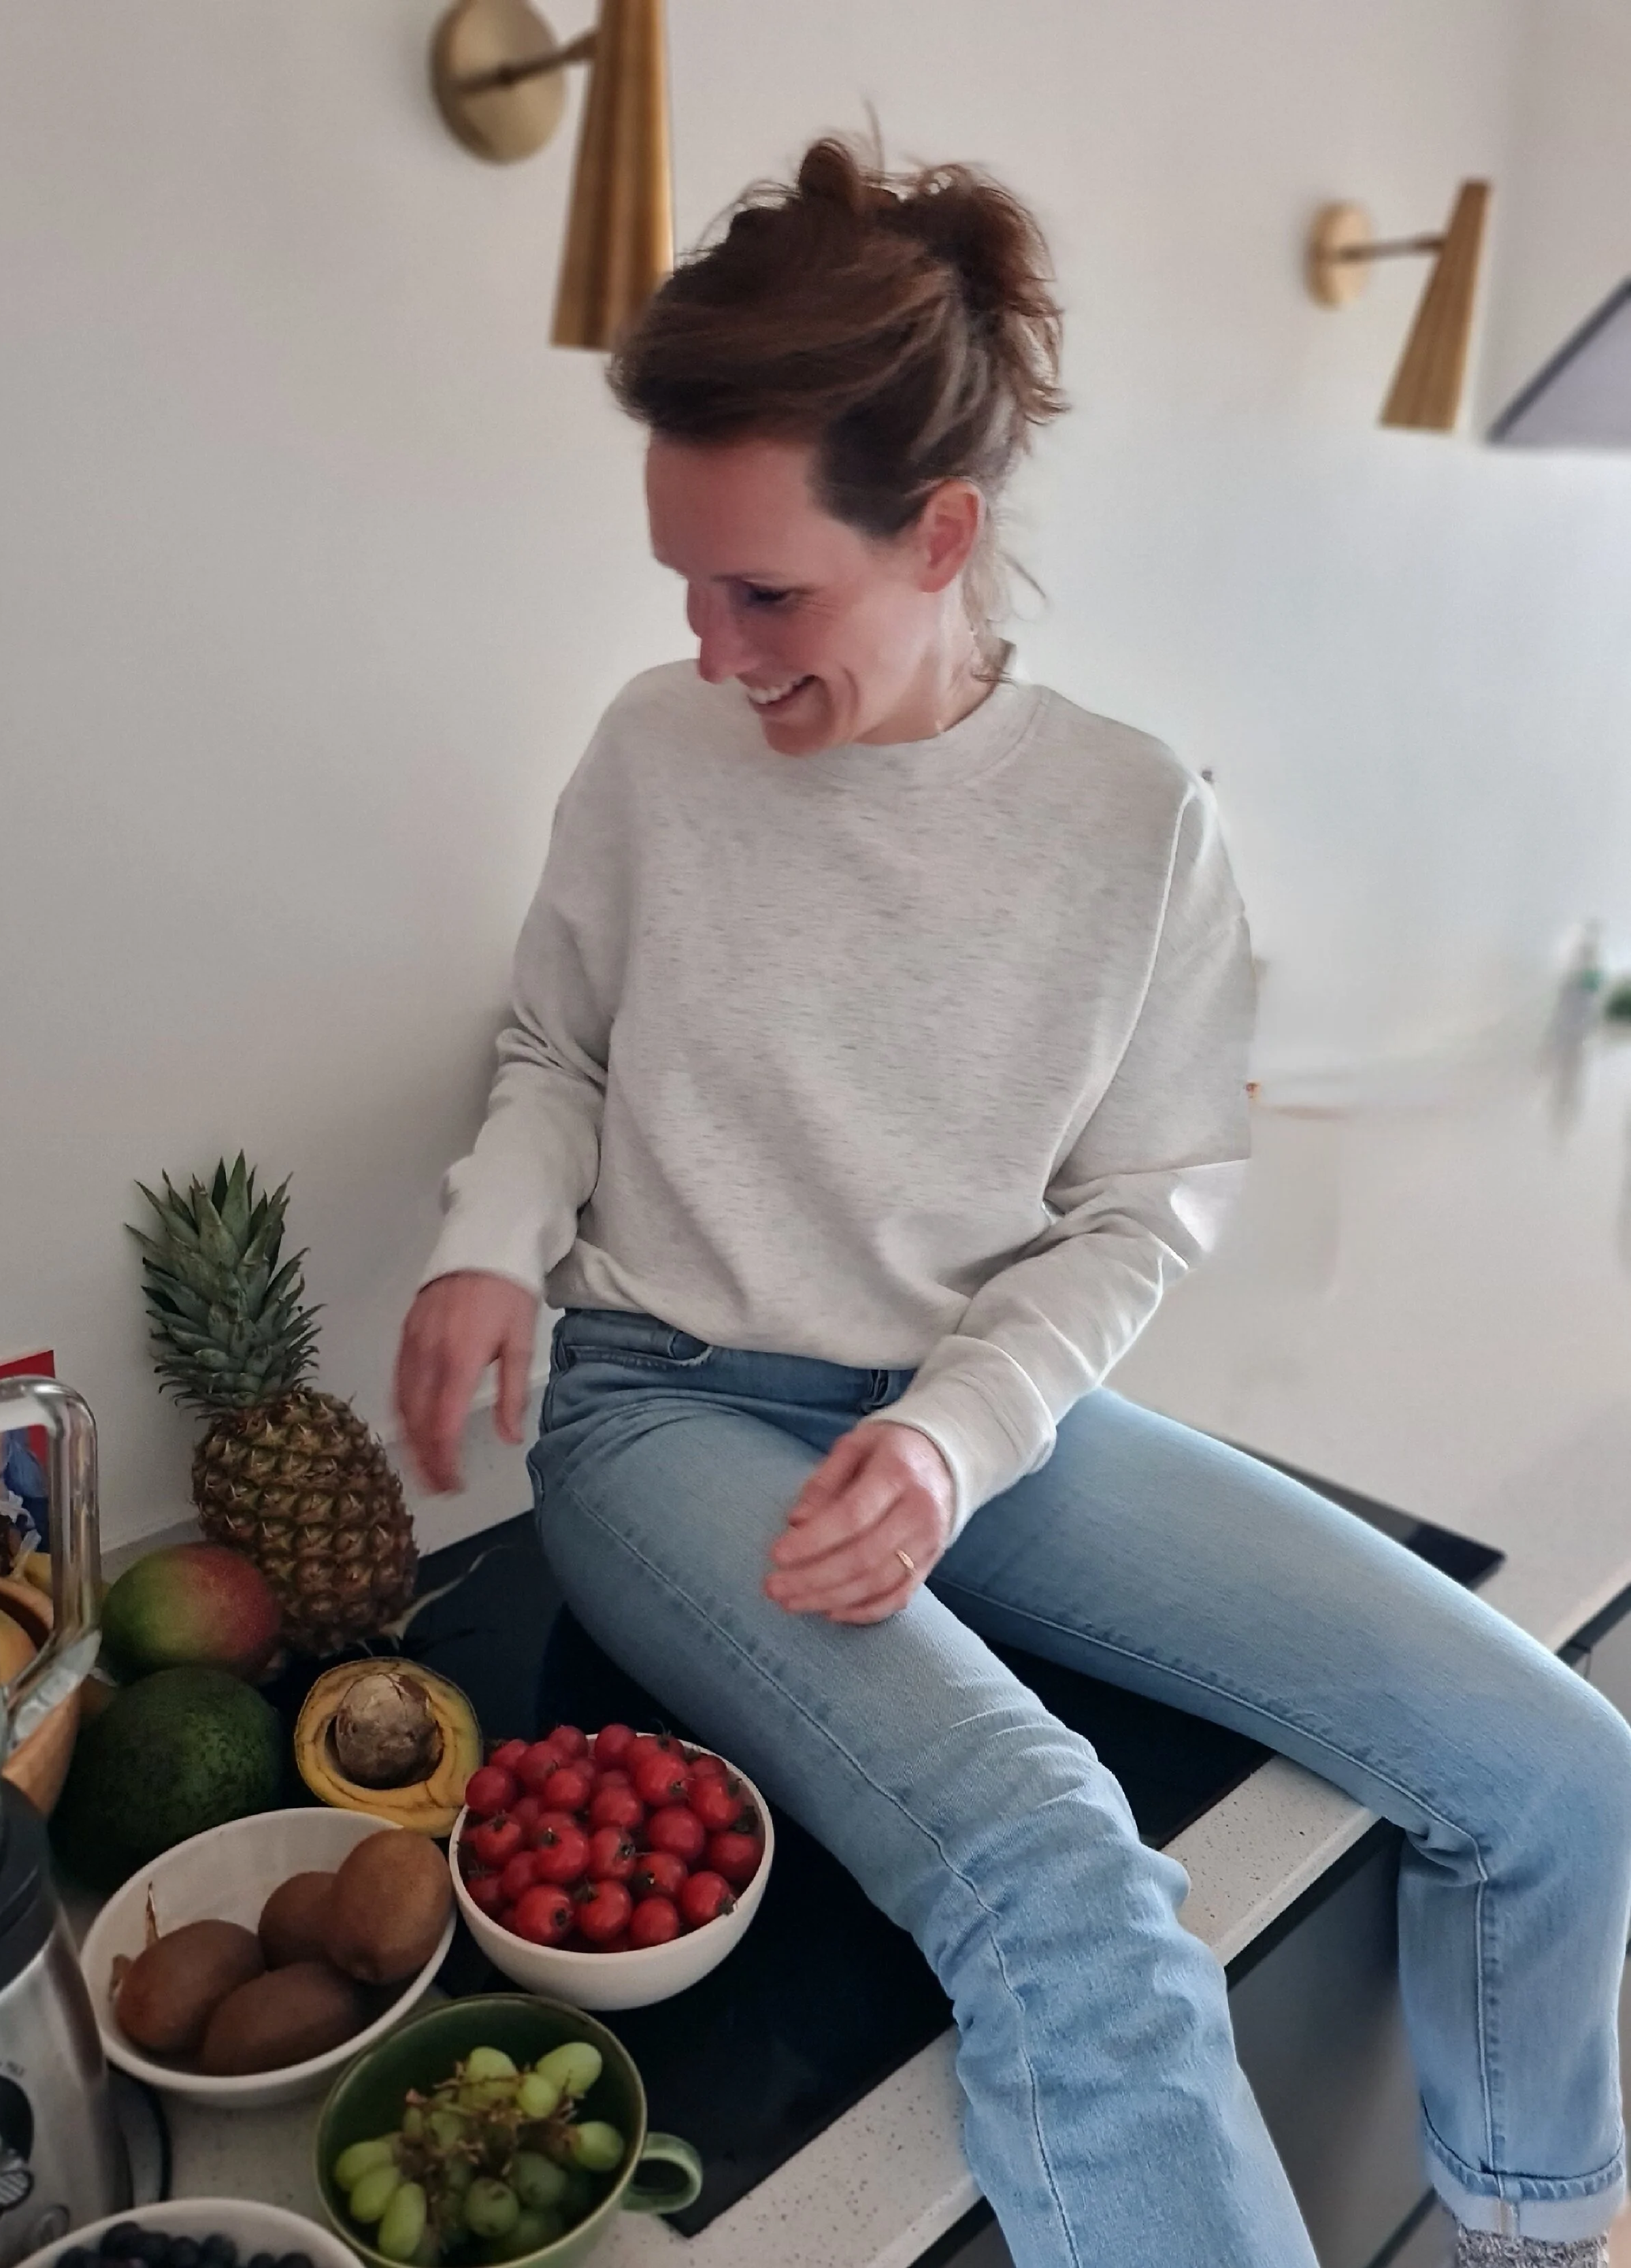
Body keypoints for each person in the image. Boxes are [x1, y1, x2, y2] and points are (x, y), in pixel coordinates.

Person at [395, 136, 1631, 2268]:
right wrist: (486, 1245)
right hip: (665, 1411)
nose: (706, 651)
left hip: (974, 1417)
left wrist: (955, 1431)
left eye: (764, 591)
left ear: (941, 531)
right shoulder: (649, 750)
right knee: (1057, 1870)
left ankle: (1530, 2228)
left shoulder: (1135, 821)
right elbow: (555, 1060)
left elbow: (1145, 1203)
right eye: (680, 583)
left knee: (1555, 1768)